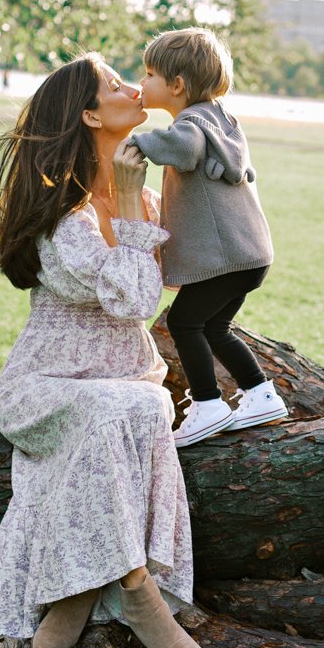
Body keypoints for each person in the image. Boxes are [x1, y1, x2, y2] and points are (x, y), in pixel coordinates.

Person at [0, 52, 210, 648]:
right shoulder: (67, 220)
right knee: (121, 408)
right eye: (114, 85)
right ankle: (138, 594)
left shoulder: (140, 197)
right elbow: (139, 298)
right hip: (45, 388)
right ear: (88, 114)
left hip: (126, 381)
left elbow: (182, 272)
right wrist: (134, 205)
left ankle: (78, 587)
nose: (134, 88)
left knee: (144, 403)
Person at [129, 27, 288, 447]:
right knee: (216, 327)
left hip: (227, 257)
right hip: (250, 255)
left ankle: (208, 404)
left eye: (148, 74)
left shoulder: (193, 123)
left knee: (184, 322)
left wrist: (137, 143)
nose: (141, 82)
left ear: (176, 85)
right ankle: (260, 393)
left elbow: (182, 150)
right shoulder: (223, 120)